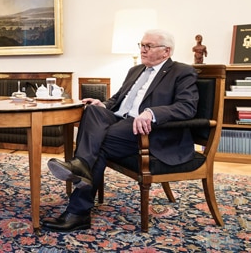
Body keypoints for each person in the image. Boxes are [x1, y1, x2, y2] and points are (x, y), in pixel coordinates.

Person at [44, 29, 198, 232]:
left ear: (166, 51)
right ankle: (79, 172)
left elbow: (187, 107)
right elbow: (118, 100)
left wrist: (151, 113)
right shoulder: (135, 70)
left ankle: (78, 206)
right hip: (120, 121)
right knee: (92, 110)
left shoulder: (182, 72)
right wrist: (104, 105)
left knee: (98, 144)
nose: (143, 50)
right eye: (141, 45)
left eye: (148, 46)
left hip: (147, 130)